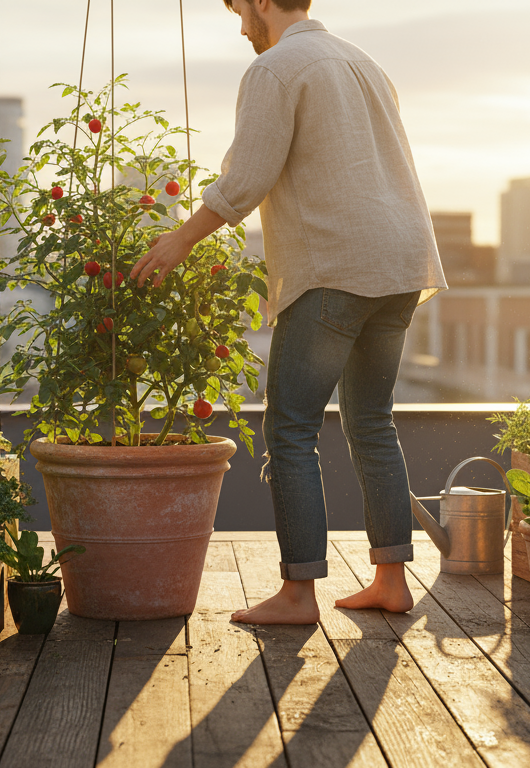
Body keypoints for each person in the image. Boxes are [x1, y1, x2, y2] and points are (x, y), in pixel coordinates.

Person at [130, 0, 446, 624]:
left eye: (240, 11)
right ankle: (391, 581)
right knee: (373, 420)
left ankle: (298, 593)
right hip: (402, 262)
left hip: (335, 263)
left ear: (261, 2)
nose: (242, 26)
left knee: (292, 428)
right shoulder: (366, 63)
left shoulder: (277, 68)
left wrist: (179, 240)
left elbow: (248, 175)